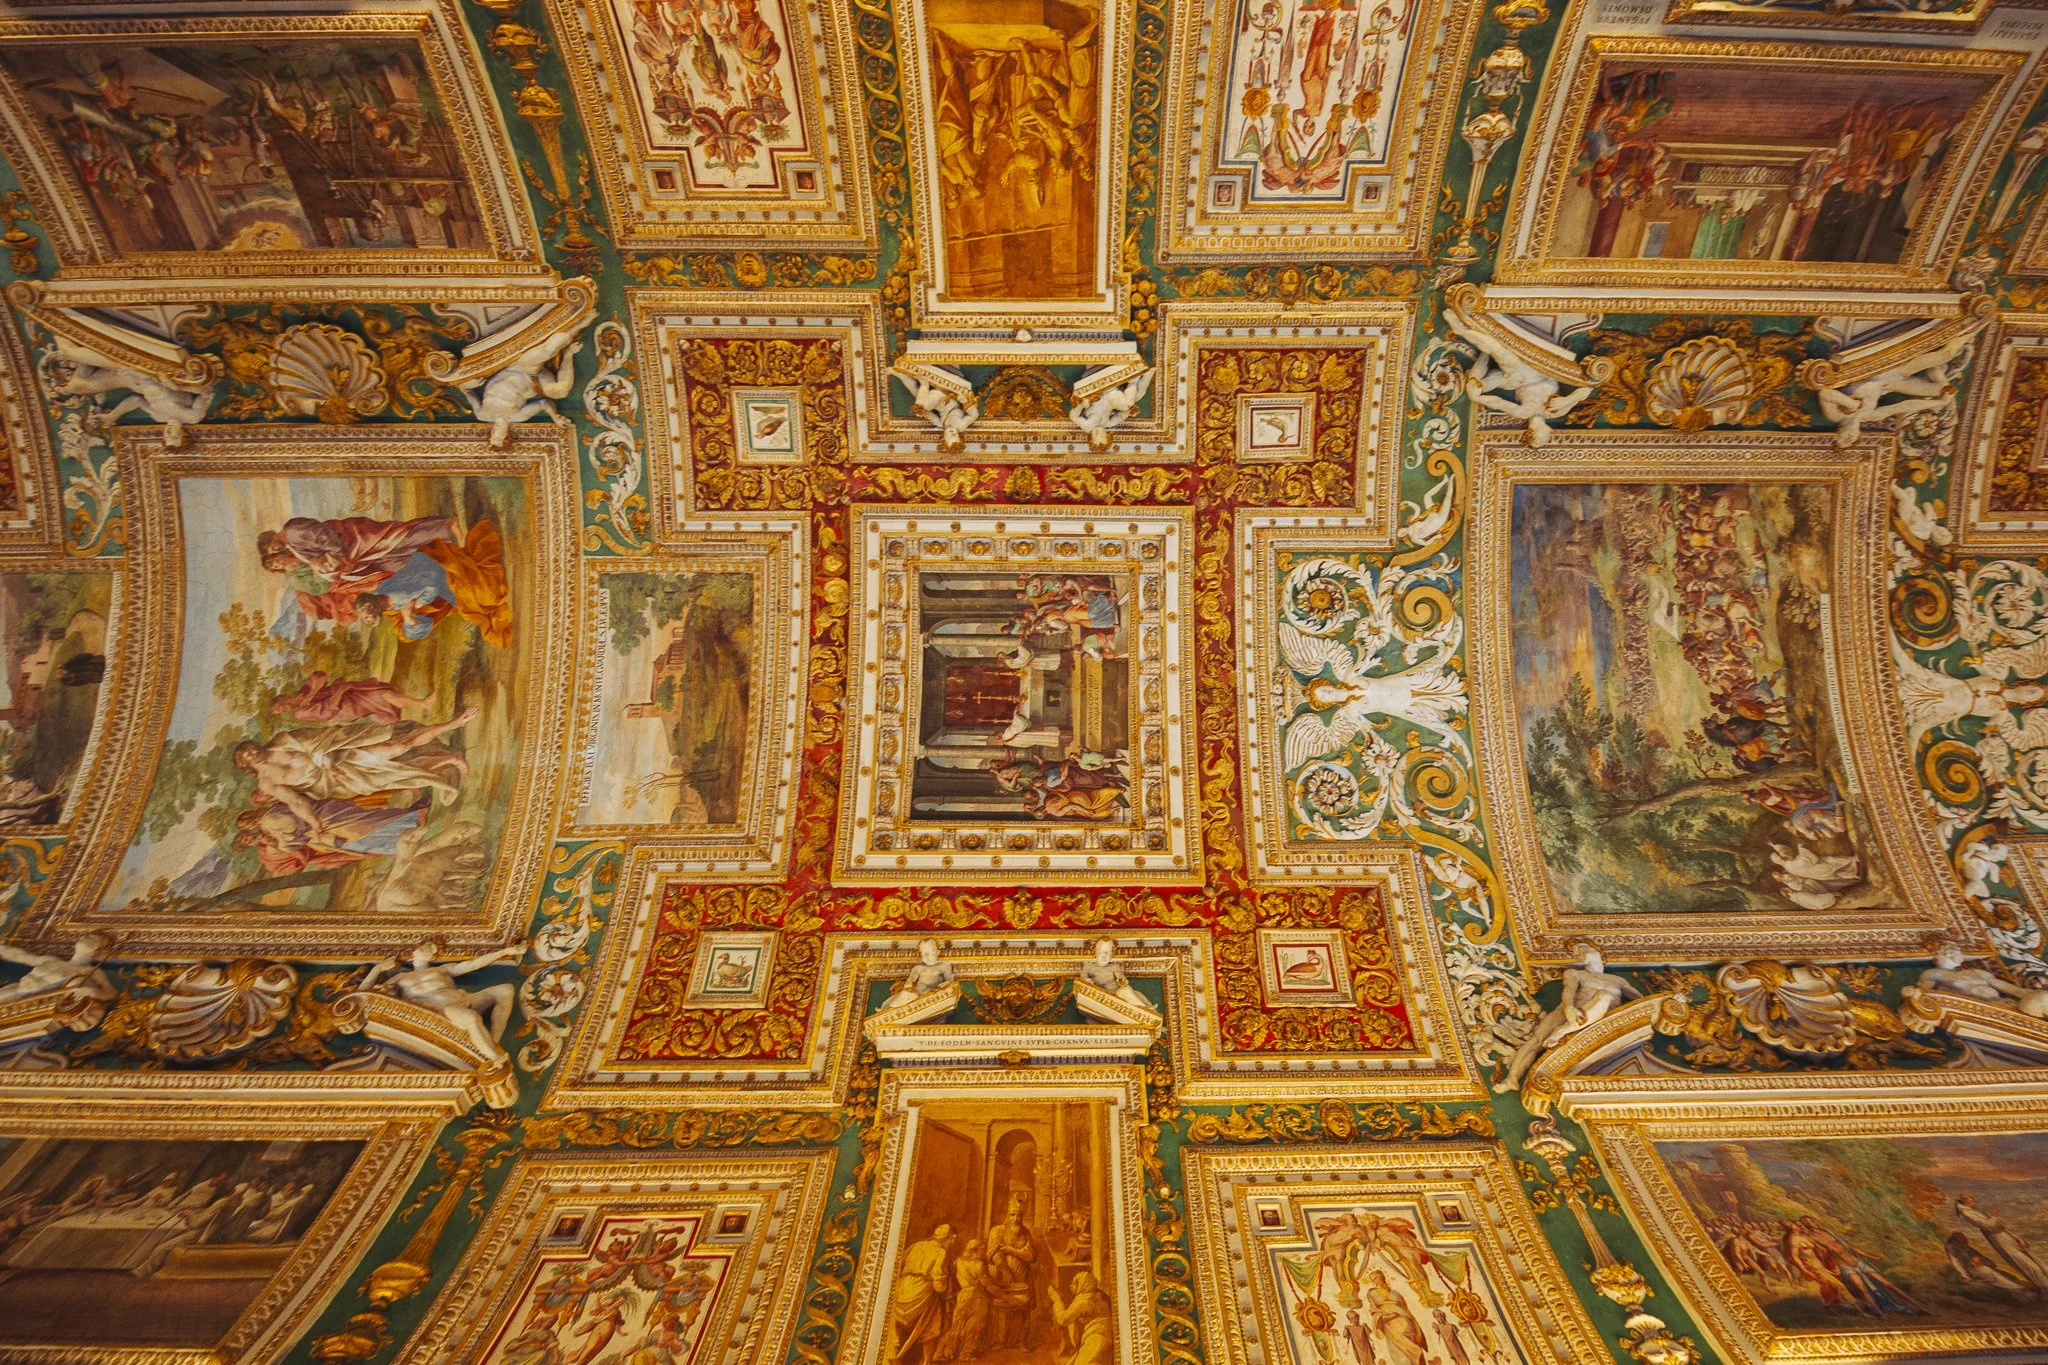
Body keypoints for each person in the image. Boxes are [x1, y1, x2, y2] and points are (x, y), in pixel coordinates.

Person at [1496, 944, 1639, 1091]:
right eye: (1578, 953)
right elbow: (1569, 990)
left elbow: (1641, 1001)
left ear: (1598, 951)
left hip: (1601, 1018)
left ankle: (1563, 1030)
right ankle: (1511, 1079)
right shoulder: (1575, 973)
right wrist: (1569, 1008)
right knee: (1536, 1040)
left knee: (1604, 996)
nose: (1580, 953)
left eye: (1582, 948)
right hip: (1570, 1010)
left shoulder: (1618, 981)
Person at [360, 939, 527, 1065]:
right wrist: (377, 969)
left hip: (462, 1001)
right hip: (439, 1010)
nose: (428, 948)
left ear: (433, 957)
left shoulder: (441, 970)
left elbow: (472, 965)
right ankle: (494, 1057)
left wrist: (505, 951)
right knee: (471, 1017)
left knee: (505, 990)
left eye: (431, 949)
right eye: (425, 945)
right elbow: (361, 996)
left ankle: (493, 1043)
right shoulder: (400, 978)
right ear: (415, 950)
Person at [885, 1224, 956, 1365]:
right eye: (953, 1240)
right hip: (924, 1290)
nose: (952, 1243)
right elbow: (938, 1283)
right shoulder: (941, 1252)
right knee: (932, 1325)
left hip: (904, 1287)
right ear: (950, 1238)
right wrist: (945, 1287)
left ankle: (894, 1358)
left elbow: (898, 1264)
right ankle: (927, 1361)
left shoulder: (916, 1246)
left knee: (898, 1326)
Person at [1955, 1194, 2048, 1294]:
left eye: (1972, 1198)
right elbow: (1988, 1226)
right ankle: (2045, 1288)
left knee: (2035, 1262)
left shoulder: (1973, 1210)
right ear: (1964, 1202)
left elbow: (2000, 1226)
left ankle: (2045, 1285)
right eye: (1969, 1199)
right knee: (2027, 1265)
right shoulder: (1966, 1212)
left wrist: (2017, 1237)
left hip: (2006, 1237)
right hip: (1999, 1240)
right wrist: (1994, 1217)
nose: (1973, 1200)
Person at [0, 932, 114, 1007]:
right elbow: (21, 956)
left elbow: (111, 993)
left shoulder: (90, 971)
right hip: (15, 990)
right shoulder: (52, 960)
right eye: (85, 935)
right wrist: (2, 948)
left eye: (90, 938)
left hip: (33, 1003)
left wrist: (93, 993)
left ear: (98, 948)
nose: (83, 937)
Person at [936, 1237, 992, 1360]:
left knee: (958, 1324)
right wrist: (1007, 1297)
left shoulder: (958, 1261)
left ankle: (943, 1352)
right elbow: (988, 1285)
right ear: (974, 1251)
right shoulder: (979, 1265)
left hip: (962, 1295)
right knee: (976, 1325)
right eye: (982, 1249)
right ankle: (966, 1353)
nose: (984, 1252)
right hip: (977, 1296)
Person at [1048, 1270, 1113, 1365]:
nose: (1070, 1286)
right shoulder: (1101, 1295)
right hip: (1109, 1337)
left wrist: (1057, 1300)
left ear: (1083, 1285)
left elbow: (1063, 1319)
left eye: (1074, 1284)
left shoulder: (1083, 1300)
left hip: (1096, 1339)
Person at [1077, 938, 1154, 1013]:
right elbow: (1083, 977)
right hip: (1100, 996)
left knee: (1128, 990)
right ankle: (1146, 1010)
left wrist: (1122, 981)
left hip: (1116, 994)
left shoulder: (1114, 966)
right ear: (1096, 952)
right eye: (1102, 952)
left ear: (1111, 956)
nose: (1105, 956)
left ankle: (1146, 1010)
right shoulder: (1088, 966)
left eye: (1108, 954)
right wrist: (1088, 981)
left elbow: (1121, 977)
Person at [882, 939, 955, 1010]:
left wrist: (948, 983)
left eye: (930, 952)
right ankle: (889, 1009)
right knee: (904, 996)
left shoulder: (943, 966)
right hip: (917, 997)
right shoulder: (918, 968)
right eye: (923, 953)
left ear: (938, 952)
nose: (926, 956)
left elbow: (950, 979)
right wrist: (909, 984)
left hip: (934, 997)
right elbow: (910, 981)